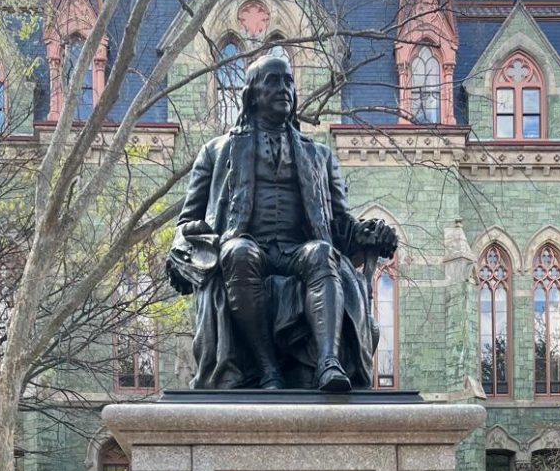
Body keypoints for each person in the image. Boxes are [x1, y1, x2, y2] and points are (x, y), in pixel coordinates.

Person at [166, 50, 398, 391]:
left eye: (288, 81)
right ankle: (267, 367)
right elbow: (187, 223)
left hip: (297, 251)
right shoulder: (217, 152)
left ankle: (328, 363)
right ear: (252, 94)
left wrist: (370, 233)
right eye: (272, 81)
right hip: (246, 249)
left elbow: (340, 227)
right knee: (238, 252)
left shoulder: (319, 155)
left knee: (322, 253)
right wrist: (185, 244)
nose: (283, 88)